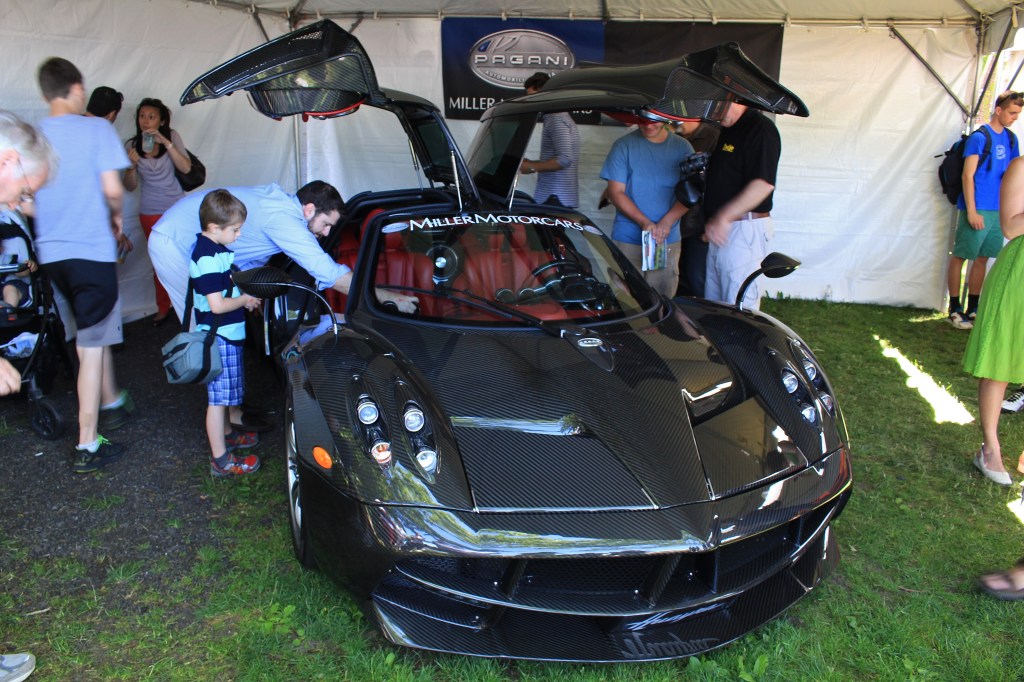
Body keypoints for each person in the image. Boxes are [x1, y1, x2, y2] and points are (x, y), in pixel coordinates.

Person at [34, 58, 134, 474]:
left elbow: (24, 194)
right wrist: (114, 215)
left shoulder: (34, 135)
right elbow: (114, 189)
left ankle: (109, 401)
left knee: (85, 336)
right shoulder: (96, 128)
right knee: (90, 348)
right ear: (76, 89)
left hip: (51, 255)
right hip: (91, 251)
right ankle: (87, 443)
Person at [150, 182, 418, 320]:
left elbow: (247, 255)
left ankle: (229, 408)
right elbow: (328, 273)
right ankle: (222, 415)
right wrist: (388, 297)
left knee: (216, 324)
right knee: (203, 323)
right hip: (174, 241)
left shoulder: (279, 203)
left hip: (185, 236)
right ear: (309, 209)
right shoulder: (284, 220)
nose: (326, 233)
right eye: (326, 224)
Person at [961, 154, 1024, 487]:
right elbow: (1011, 226)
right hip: (1020, 273)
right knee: (1000, 361)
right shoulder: (1021, 166)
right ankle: (990, 449)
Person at [190, 190, 262, 476]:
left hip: (228, 334)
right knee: (218, 400)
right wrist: (245, 301)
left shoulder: (218, 251)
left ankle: (229, 435)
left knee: (227, 392)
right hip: (218, 336)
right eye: (235, 229)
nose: (239, 234)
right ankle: (221, 460)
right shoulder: (207, 257)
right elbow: (217, 305)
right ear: (213, 228)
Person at [947, 91, 1022, 330]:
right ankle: (955, 308)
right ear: (998, 110)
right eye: (1012, 113)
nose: (1015, 118)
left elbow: (1014, 175)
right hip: (978, 207)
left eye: (1018, 114)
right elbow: (967, 175)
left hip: (1000, 210)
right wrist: (971, 210)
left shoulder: (1011, 139)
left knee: (982, 258)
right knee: (961, 255)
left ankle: (974, 307)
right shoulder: (980, 138)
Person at [600, 115, 692, 297]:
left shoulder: (682, 147)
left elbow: (691, 193)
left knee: (662, 299)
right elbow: (616, 192)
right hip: (627, 237)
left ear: (666, 119)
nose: (649, 126)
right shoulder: (623, 145)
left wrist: (666, 222)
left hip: (665, 240)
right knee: (626, 300)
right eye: (643, 121)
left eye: (654, 121)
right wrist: (644, 222)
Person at [703, 102, 781, 310]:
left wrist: (723, 217)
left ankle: (737, 344)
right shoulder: (728, 129)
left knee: (739, 307)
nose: (711, 114)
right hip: (724, 230)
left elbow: (763, 185)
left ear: (729, 98)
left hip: (744, 231)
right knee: (715, 304)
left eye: (713, 106)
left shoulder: (760, 129)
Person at [122, 98, 193, 326]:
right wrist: (131, 167)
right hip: (150, 210)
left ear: (162, 120)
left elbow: (186, 168)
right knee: (159, 261)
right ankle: (163, 306)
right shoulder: (132, 145)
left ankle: (192, 303)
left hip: (177, 209)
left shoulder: (172, 137)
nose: (145, 121)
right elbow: (130, 186)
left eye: (151, 116)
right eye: (142, 115)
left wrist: (165, 141)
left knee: (187, 256)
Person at [518, 72, 580, 209]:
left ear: (546, 94)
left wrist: (531, 167)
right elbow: (559, 157)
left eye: (533, 97)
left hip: (555, 197)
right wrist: (531, 162)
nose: (530, 101)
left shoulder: (555, 118)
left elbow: (564, 159)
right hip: (556, 196)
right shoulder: (557, 116)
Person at [674, 120, 720, 297]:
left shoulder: (713, 136)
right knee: (674, 279)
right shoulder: (671, 136)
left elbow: (719, 182)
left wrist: (712, 221)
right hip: (672, 221)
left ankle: (701, 321)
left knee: (696, 279)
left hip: (697, 224)